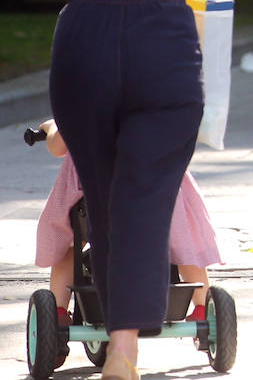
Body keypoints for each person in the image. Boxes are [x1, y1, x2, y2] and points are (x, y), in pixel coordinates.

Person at [43, 0, 231, 380]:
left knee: (102, 192)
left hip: (86, 38)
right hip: (164, 39)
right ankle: (124, 348)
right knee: (146, 197)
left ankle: (115, 338)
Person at [35, 120, 221, 330]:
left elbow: (57, 146)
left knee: (68, 240)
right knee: (183, 240)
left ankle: (58, 312)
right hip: (157, 195)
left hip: (97, 200)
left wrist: (54, 126)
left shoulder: (85, 99)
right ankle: (202, 306)